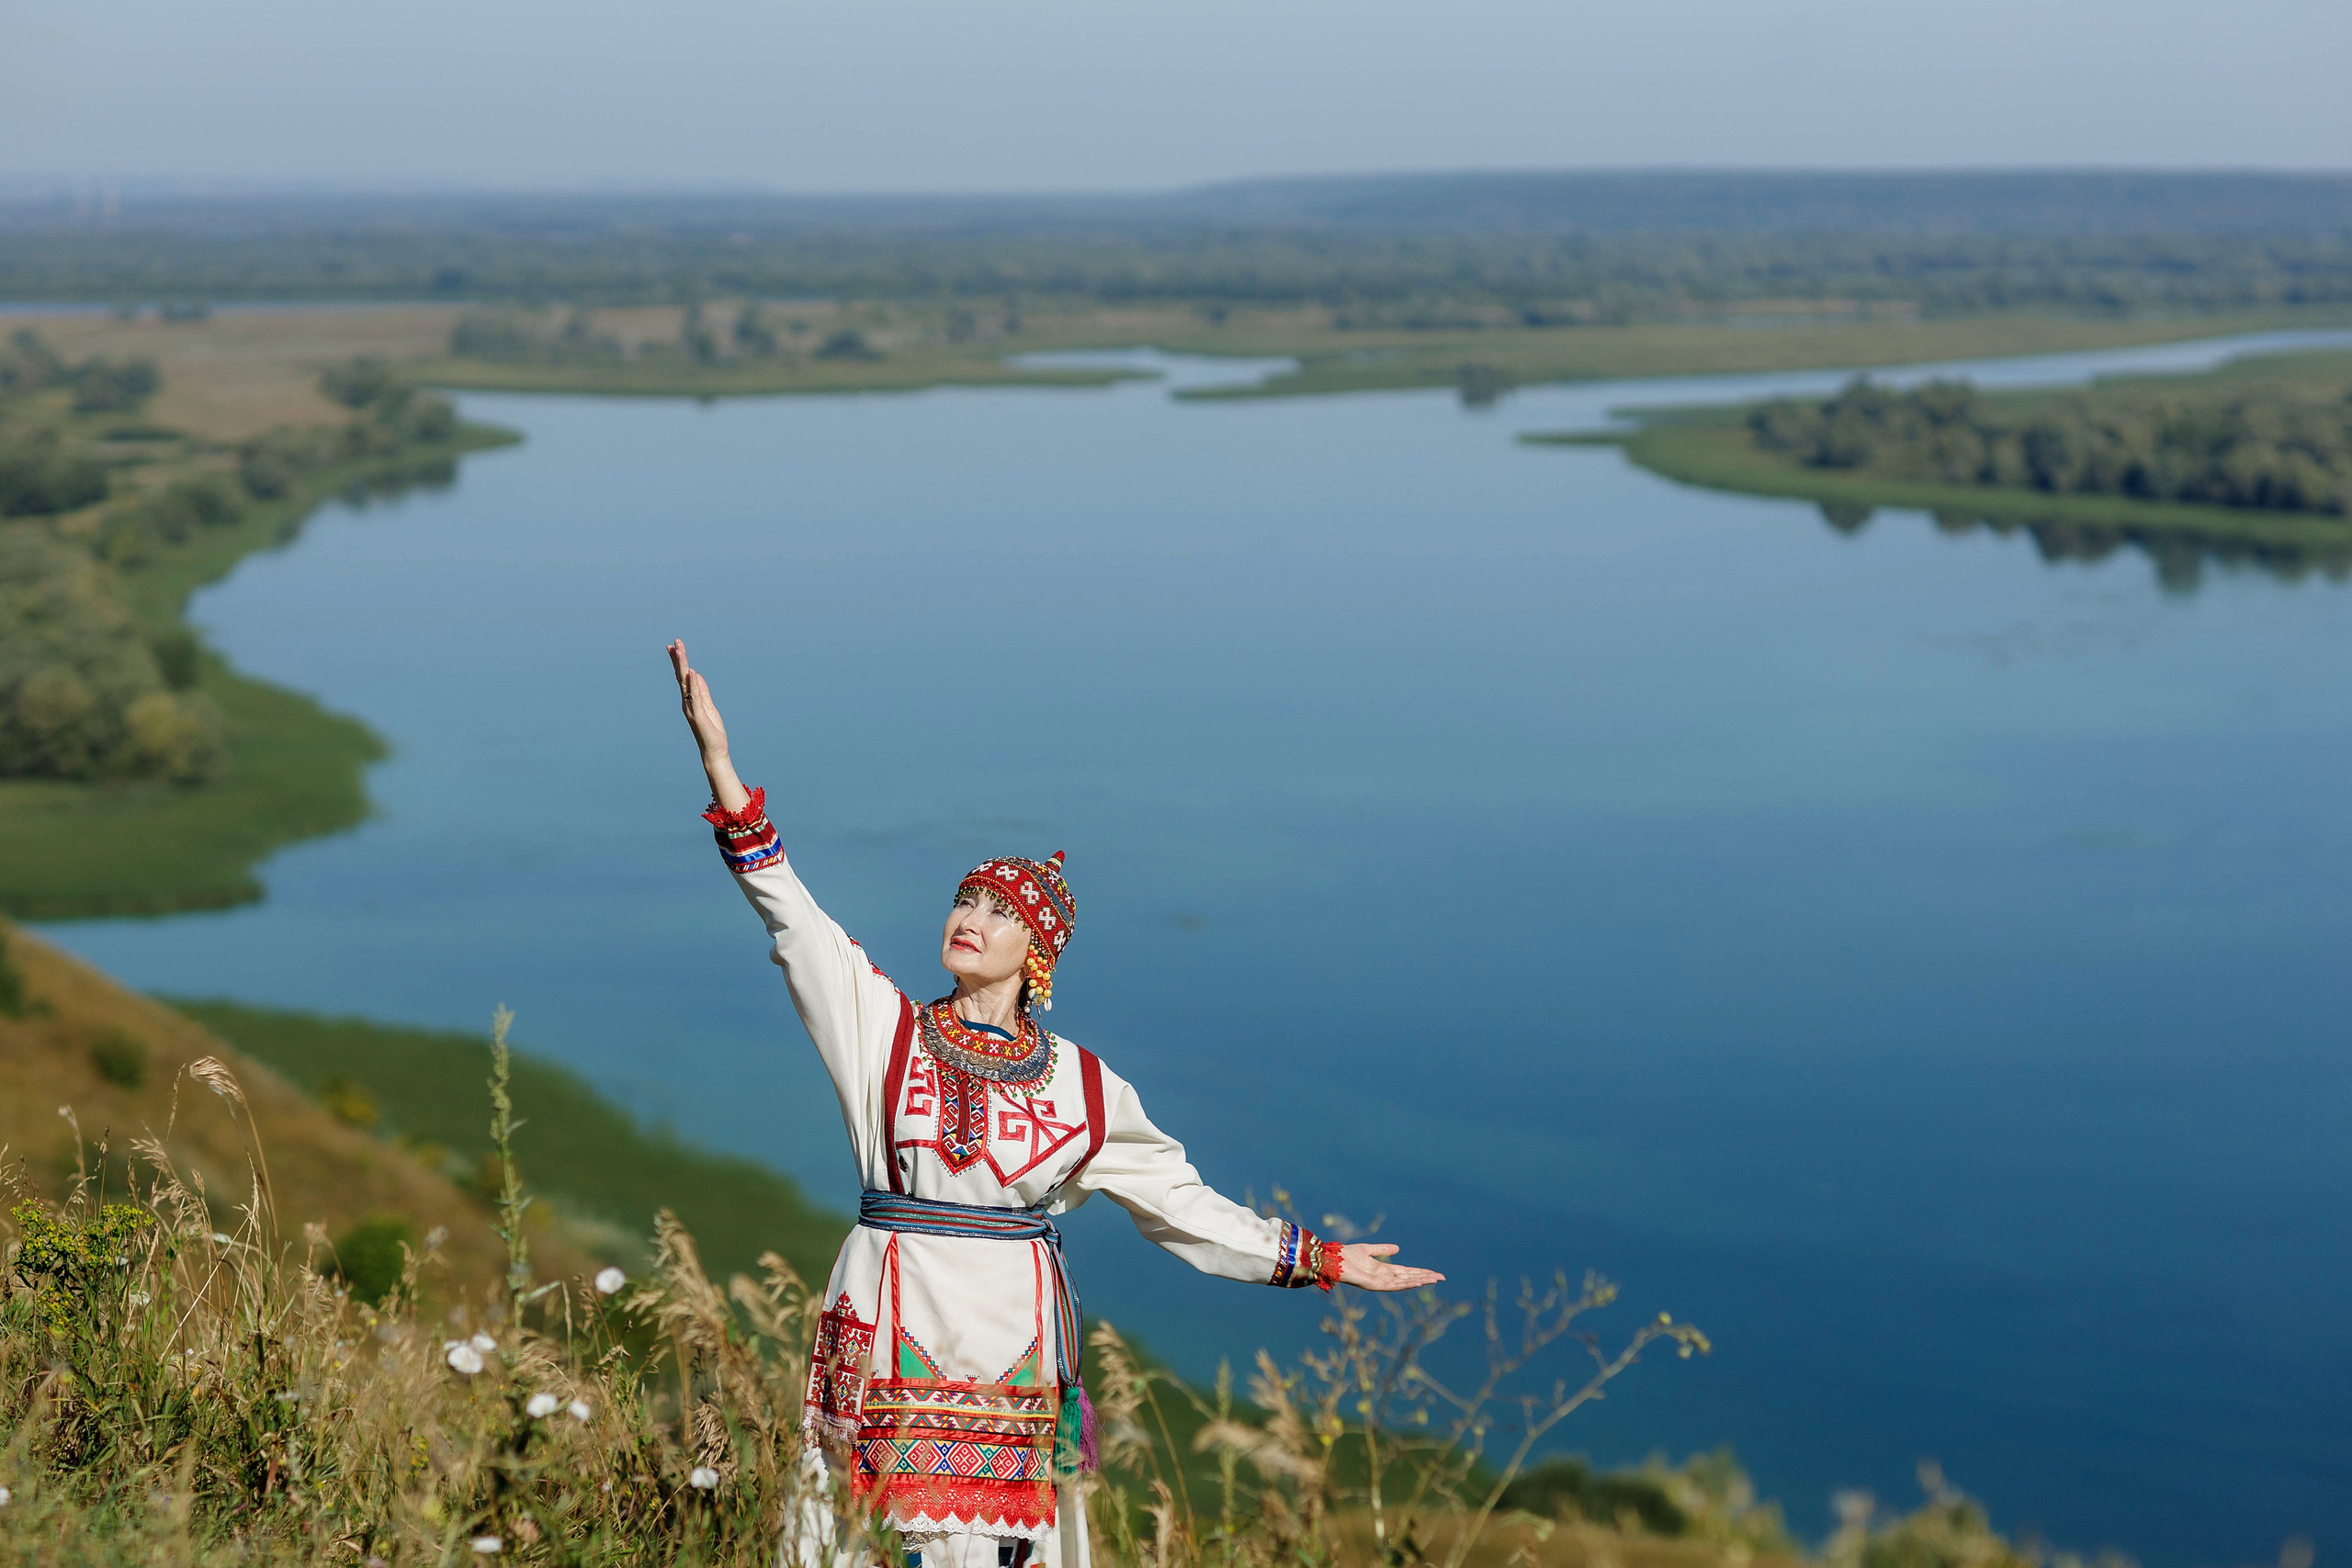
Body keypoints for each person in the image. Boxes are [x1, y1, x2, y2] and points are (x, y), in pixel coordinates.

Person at [666, 640, 1442, 1568]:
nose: (970, 918)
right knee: (868, 1533)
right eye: (965, 899)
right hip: (890, 1306)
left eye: (999, 910)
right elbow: (796, 919)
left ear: (1036, 951)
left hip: (1013, 1337)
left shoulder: (1083, 1084)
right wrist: (721, 765)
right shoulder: (884, 1029)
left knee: (999, 1544)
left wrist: (1315, 1258)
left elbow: (1178, 1203)